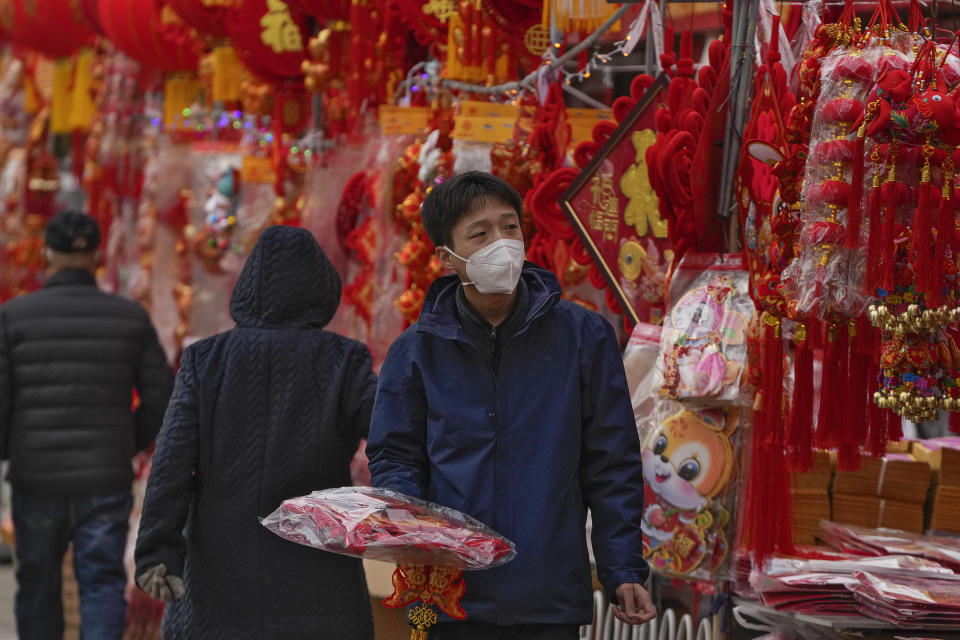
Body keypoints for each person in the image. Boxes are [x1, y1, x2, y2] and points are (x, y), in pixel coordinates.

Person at [367, 171, 655, 640]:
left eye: (510, 227)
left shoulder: (583, 337)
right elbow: (395, 455)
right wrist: (410, 523)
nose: (501, 243)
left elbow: (612, 462)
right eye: (480, 234)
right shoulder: (415, 352)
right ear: (446, 257)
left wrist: (622, 567)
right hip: (447, 596)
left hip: (549, 596)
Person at [135, 226, 377, 639]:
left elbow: (172, 463)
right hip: (317, 570)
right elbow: (389, 440)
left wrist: (157, 551)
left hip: (221, 570)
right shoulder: (345, 360)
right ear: (322, 288)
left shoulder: (204, 360)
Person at [0, 210, 174, 639]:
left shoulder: (13, 317)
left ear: (47, 255)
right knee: (101, 585)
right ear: (98, 255)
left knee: (37, 587)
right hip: (104, 478)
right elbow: (162, 397)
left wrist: (12, 449)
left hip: (36, 477)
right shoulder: (129, 318)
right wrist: (127, 442)